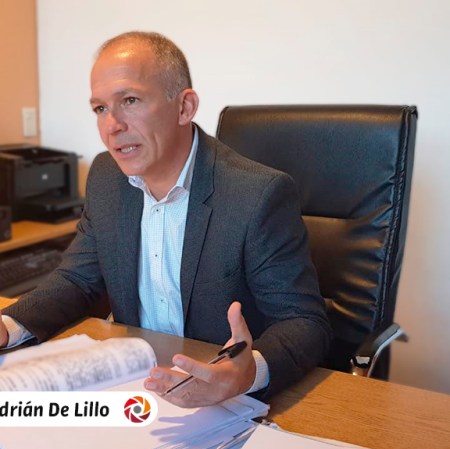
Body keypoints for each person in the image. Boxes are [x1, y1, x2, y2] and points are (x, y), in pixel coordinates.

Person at [0, 31, 331, 407]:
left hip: (224, 399)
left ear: (184, 107)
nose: (112, 125)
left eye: (130, 100)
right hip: (137, 384)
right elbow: (76, 279)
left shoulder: (258, 194)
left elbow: (303, 321)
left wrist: (249, 371)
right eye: (100, 108)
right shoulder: (107, 176)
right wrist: (8, 325)